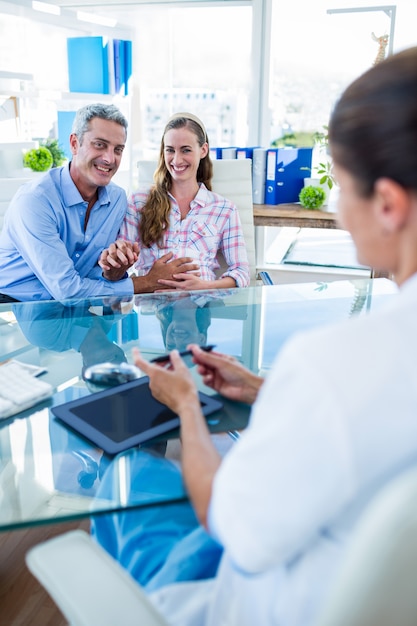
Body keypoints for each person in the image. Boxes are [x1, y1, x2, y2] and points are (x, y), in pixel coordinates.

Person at [91, 46, 417, 625]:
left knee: (123, 472)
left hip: (253, 600)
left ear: (388, 203)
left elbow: (223, 514)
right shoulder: (359, 367)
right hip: (349, 577)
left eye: (341, 188)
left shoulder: (332, 364)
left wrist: (188, 404)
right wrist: (268, 388)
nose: (339, 211)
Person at [0, 103, 199, 302]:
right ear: (74, 143)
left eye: (118, 149)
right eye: (100, 145)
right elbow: (68, 290)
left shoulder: (117, 199)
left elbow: (96, 275)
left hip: (74, 311)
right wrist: (146, 282)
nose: (109, 158)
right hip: (13, 309)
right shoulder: (35, 201)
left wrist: (115, 269)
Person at [99, 112, 250, 291]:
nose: (177, 160)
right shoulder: (139, 202)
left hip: (200, 306)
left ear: (203, 150)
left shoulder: (224, 209)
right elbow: (119, 264)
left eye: (186, 150)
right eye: (170, 150)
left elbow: (241, 271)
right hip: (150, 306)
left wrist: (206, 286)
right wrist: (116, 261)